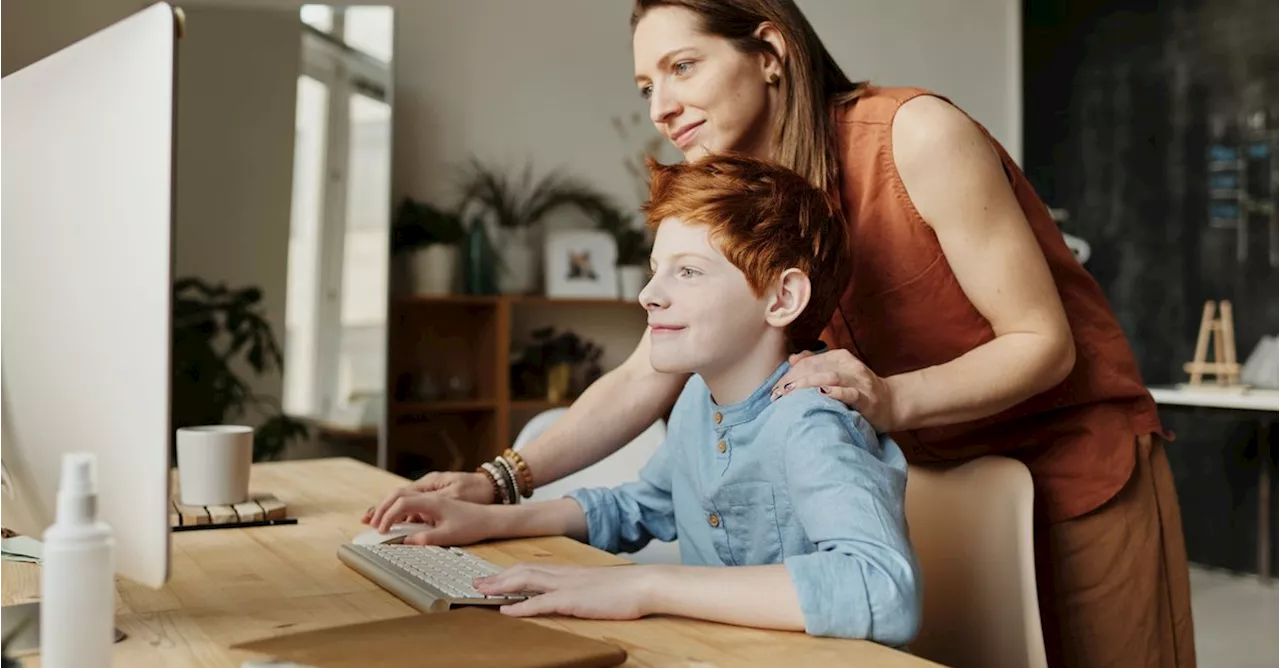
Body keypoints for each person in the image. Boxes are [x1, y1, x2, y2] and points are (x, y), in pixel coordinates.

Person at [368, 1, 1195, 666]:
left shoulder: (914, 135)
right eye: (645, 85)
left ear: (770, 50)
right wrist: (498, 481)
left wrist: (888, 398)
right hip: (926, 469)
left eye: (683, 66)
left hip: (1074, 461)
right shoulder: (730, 190)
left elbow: (1041, 342)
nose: (661, 105)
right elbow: (645, 373)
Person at [368, 154, 922, 644]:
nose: (649, 294)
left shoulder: (812, 420)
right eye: (657, 269)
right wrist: (487, 519)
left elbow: (883, 588)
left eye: (687, 272)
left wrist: (645, 585)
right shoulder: (696, 403)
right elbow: (642, 506)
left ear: (781, 298)